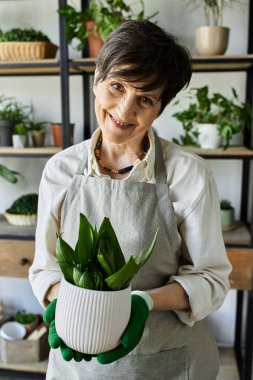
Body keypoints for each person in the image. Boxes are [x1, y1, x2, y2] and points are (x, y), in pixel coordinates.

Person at [29, 20, 232, 380]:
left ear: (161, 107)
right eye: (117, 86)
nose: (124, 111)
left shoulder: (189, 174)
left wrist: (141, 302)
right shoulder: (59, 170)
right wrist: (67, 305)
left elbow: (212, 280)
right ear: (96, 78)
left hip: (167, 361)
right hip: (78, 368)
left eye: (145, 98)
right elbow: (45, 268)